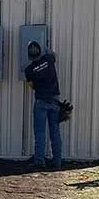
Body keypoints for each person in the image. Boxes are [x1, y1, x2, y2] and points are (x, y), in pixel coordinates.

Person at [24, 40, 63, 169]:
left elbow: (31, 86)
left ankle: (39, 161)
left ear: (29, 56)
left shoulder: (29, 70)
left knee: (40, 133)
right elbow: (53, 54)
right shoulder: (48, 59)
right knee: (55, 132)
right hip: (55, 101)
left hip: (41, 101)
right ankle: (57, 161)